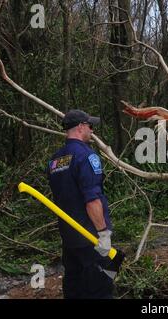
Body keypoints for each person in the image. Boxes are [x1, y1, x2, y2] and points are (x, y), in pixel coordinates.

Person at [47, 109, 114, 299]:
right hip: (91, 237)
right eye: (90, 126)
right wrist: (103, 234)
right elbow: (92, 198)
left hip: (69, 238)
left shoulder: (55, 160)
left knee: (74, 288)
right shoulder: (87, 156)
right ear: (81, 127)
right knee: (101, 288)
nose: (92, 131)